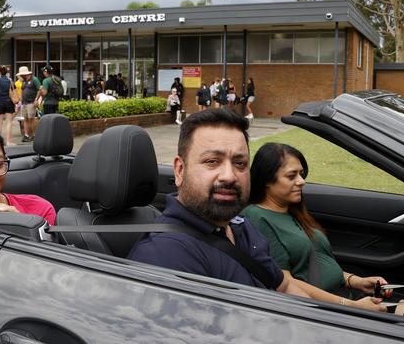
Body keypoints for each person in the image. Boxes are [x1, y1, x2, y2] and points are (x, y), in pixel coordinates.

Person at [129, 110, 385, 311]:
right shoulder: (165, 254)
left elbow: (283, 286)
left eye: (240, 163)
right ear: (180, 170)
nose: (229, 175)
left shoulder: (240, 226)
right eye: (212, 161)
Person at [241, 143, 391, 303]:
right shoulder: (256, 217)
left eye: (301, 174)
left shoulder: (293, 211)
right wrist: (350, 306)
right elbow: (284, 282)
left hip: (344, 295)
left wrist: (358, 281)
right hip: (323, 309)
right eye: (291, 176)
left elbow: (319, 264)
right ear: (267, 180)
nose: (301, 181)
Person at [18, 66, 41, 142]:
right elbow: (22, 89)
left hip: (31, 102)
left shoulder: (34, 79)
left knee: (31, 119)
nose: (20, 76)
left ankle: (33, 135)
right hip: (24, 103)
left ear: (25, 74)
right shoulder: (23, 81)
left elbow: (39, 89)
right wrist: (21, 98)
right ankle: (26, 135)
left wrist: (36, 100)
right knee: (25, 119)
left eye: (21, 75)